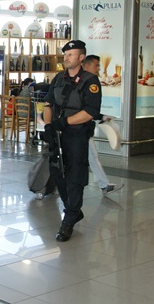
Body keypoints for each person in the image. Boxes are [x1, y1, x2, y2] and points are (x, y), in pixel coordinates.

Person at [43, 40, 101, 242]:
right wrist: (49, 126)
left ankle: (68, 221)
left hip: (76, 135)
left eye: (71, 55)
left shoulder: (90, 81)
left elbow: (89, 112)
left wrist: (64, 122)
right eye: (65, 54)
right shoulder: (58, 78)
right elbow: (48, 104)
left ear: (81, 57)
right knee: (57, 173)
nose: (66, 58)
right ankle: (74, 210)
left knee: (74, 177)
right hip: (57, 135)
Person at [82, 55, 123, 196]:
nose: (99, 68)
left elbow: (88, 109)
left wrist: (101, 116)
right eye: (96, 65)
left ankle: (104, 184)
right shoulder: (86, 83)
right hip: (79, 128)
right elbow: (84, 108)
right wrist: (100, 116)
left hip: (84, 128)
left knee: (91, 156)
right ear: (86, 66)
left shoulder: (85, 81)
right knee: (86, 157)